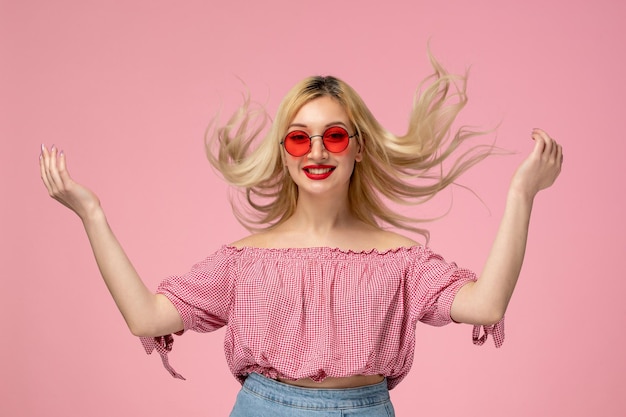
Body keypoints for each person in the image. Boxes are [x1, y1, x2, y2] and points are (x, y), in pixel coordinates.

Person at [39, 55, 563, 416]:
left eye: (334, 136)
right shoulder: (244, 261)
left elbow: (488, 304)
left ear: (358, 148)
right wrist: (92, 215)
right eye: (299, 138)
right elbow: (146, 317)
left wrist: (522, 195)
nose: (316, 151)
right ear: (283, 152)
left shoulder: (400, 259)